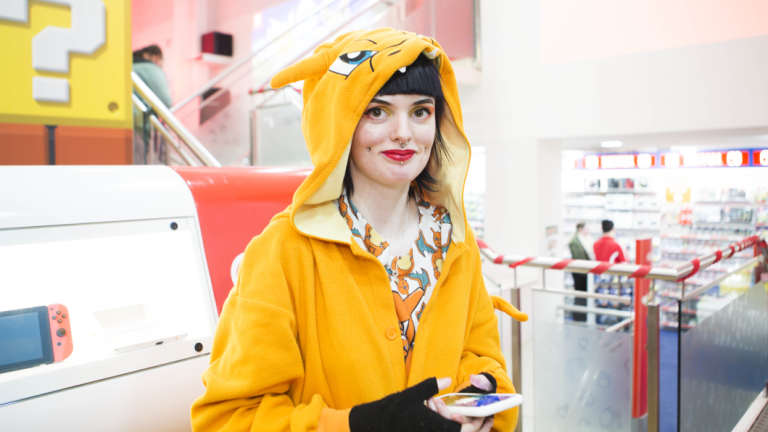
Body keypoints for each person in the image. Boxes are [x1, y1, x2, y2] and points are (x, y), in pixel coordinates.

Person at [190, 28, 526, 432]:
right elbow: (227, 419)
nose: (403, 132)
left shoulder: (452, 238)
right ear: (339, 122)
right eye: (377, 111)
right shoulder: (283, 251)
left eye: (420, 111)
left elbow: (480, 353)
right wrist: (358, 424)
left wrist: (482, 389)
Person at [132, 44, 171, 164]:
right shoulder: (151, 69)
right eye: (159, 59)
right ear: (148, 55)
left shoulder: (128, 67)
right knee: (143, 162)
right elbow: (165, 101)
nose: (160, 63)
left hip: (126, 122)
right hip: (142, 123)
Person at [567, 222, 591, 322]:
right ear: (580, 229)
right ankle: (579, 317)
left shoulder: (584, 239)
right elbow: (579, 258)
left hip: (583, 272)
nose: (588, 231)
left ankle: (582, 315)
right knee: (580, 294)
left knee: (583, 294)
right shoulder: (574, 241)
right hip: (580, 273)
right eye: (586, 228)